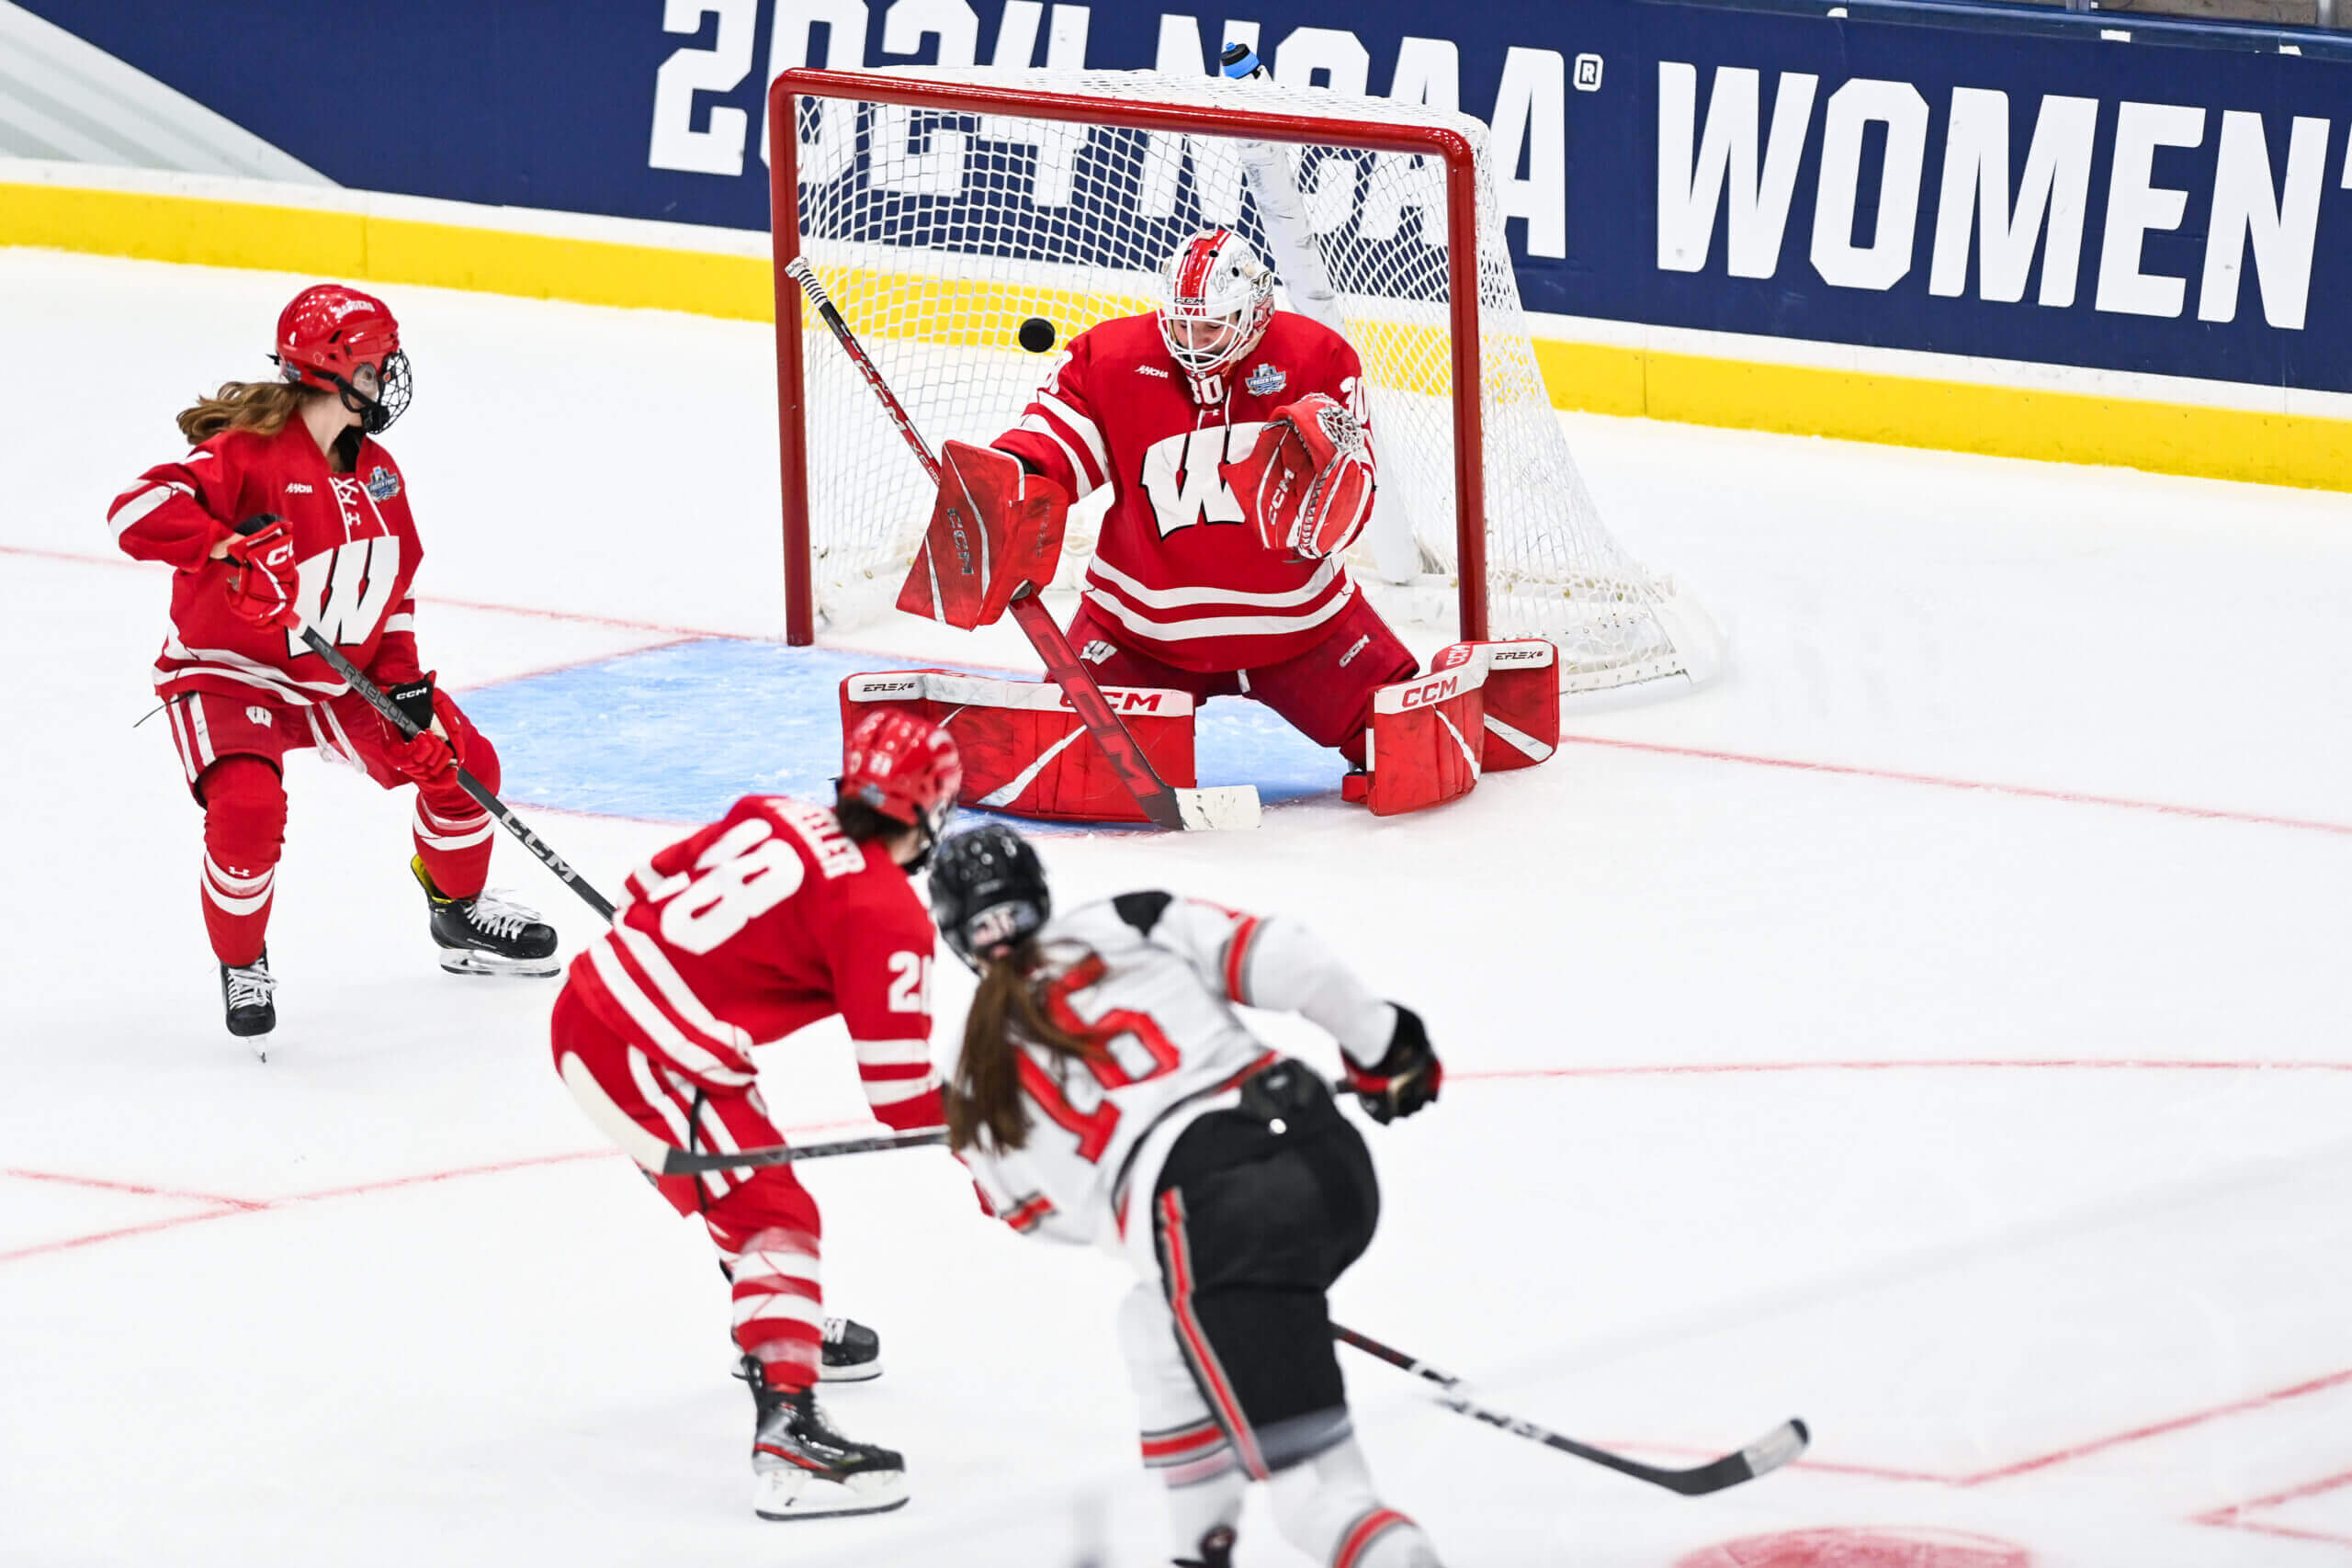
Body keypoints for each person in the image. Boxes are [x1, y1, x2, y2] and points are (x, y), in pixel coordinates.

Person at [930, 824, 1446, 1567]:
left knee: (1316, 1495)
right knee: (1152, 1321)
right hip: (1324, 1153)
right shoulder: (1124, 919)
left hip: (1212, 1220)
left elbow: (1039, 1218)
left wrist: (1148, 1224)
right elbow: (1290, 958)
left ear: (954, 935)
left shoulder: (968, 1072)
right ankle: (1198, 1549)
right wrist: (1386, 1044)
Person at [108, 283, 558, 1043]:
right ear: (339, 370)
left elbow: (395, 592)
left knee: (462, 765)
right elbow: (134, 510)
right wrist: (227, 546)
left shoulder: (380, 474)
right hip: (231, 672)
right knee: (248, 810)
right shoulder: (244, 453)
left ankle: (457, 913)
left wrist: (406, 692)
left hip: (340, 678)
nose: (388, 381)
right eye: (378, 366)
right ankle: (242, 961)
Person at [548, 710, 962, 1522]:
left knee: (747, 1181)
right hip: (648, 1051)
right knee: (776, 1213)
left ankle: (779, 1320)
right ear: (926, 811)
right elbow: (901, 1094)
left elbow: (643, 886)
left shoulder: (774, 810)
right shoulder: (887, 910)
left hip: (593, 1006)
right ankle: (789, 1435)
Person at [968, 226, 1418, 798]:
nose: (1193, 342)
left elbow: (1356, 490)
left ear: (1256, 312)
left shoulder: (1317, 357)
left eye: (1211, 326)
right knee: (1067, 768)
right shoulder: (1112, 359)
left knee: (1410, 743)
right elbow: (1053, 444)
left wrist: (1337, 487)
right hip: (1139, 635)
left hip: (1303, 631)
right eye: (1181, 325)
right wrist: (1007, 476)